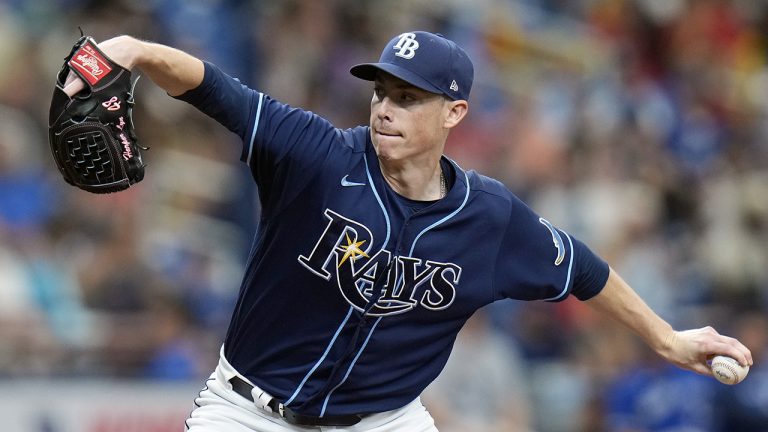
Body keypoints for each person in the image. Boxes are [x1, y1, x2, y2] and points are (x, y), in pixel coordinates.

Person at [62, 30, 752, 432]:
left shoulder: (489, 216)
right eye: (381, 92)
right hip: (248, 413)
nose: (386, 108)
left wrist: (666, 336)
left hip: (382, 422)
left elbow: (583, 271)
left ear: (454, 114)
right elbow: (211, 87)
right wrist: (129, 49)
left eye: (408, 97)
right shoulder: (316, 153)